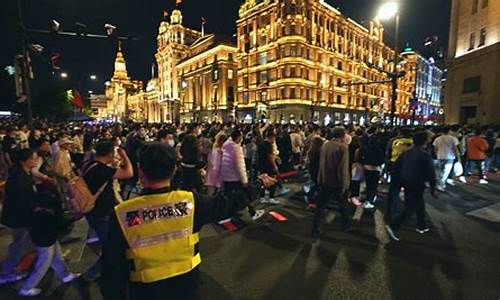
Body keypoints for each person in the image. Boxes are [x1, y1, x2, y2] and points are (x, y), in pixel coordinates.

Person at [100, 143, 276, 300]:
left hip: (145, 290)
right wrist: (258, 184)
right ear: (174, 170)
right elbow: (230, 203)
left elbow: (111, 269)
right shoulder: (190, 202)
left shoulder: (124, 213)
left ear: (141, 171)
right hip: (186, 286)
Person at [81, 140, 133, 281]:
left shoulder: (88, 165)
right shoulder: (102, 170)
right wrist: (124, 156)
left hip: (92, 211)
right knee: (112, 248)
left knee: (111, 245)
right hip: (102, 212)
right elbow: (128, 173)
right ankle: (91, 274)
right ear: (110, 153)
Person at [385, 131, 438, 241]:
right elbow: (431, 172)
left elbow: (397, 167)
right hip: (416, 183)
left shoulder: (406, 152)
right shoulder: (424, 155)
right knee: (412, 207)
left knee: (419, 203)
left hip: (406, 181)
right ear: (425, 142)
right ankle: (394, 225)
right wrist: (433, 187)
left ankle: (421, 225)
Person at [0, 149, 38, 285]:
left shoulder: (24, 174)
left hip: (21, 217)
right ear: (25, 161)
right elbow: (22, 200)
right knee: (18, 245)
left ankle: (17, 267)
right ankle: (7, 272)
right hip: (19, 218)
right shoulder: (19, 178)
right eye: (33, 158)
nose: (35, 160)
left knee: (21, 243)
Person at [311, 127, 352, 239]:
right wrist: (343, 184)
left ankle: (315, 228)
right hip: (336, 182)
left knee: (320, 206)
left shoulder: (325, 144)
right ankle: (346, 225)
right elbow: (342, 169)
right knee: (343, 205)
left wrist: (319, 178)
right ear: (343, 136)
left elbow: (322, 163)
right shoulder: (343, 148)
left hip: (324, 179)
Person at [221, 129, 265, 221]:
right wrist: (244, 179)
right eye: (241, 136)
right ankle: (252, 213)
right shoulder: (236, 148)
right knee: (244, 195)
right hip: (235, 176)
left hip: (226, 175)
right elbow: (239, 165)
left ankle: (224, 216)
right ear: (238, 138)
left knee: (226, 196)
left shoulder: (226, 145)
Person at [385, 127, 413, 220]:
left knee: (393, 191)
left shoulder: (393, 140)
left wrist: (387, 165)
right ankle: (407, 214)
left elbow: (388, 154)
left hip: (395, 165)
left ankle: (390, 213)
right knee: (409, 191)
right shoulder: (413, 142)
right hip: (409, 167)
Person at [359, 126, 386, 209]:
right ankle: (370, 200)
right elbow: (381, 160)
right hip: (375, 169)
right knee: (373, 186)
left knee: (368, 184)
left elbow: (361, 157)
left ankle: (368, 198)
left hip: (367, 168)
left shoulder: (365, 148)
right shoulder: (379, 151)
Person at [433, 126, 460, 191]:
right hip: (450, 157)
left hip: (440, 156)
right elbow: (455, 149)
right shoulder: (453, 138)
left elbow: (435, 148)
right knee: (446, 172)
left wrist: (437, 154)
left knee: (440, 171)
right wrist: (458, 157)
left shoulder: (437, 139)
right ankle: (441, 184)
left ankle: (439, 183)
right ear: (449, 131)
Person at [258, 130, 280, 204]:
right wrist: (274, 165)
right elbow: (270, 156)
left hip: (261, 165)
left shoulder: (261, 144)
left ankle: (262, 197)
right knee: (273, 181)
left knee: (263, 182)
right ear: (271, 137)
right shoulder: (268, 145)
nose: (274, 140)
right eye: (274, 138)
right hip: (268, 165)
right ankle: (271, 197)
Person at [205, 132, 227, 196]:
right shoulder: (221, 151)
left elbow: (210, 161)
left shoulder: (213, 149)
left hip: (212, 172)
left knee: (210, 191)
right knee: (216, 192)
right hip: (217, 172)